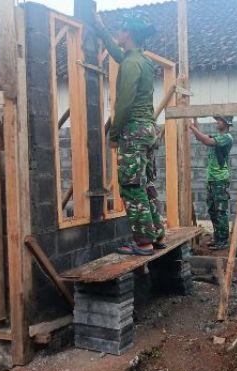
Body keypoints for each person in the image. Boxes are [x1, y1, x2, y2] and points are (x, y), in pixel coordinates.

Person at [94, 14, 165, 256]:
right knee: (145, 183)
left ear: (129, 33)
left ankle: (143, 242)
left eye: (120, 30)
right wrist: (101, 29)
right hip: (148, 129)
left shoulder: (131, 64)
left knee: (131, 185)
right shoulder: (141, 60)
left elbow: (123, 103)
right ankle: (157, 235)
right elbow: (119, 54)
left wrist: (114, 134)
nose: (117, 33)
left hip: (133, 130)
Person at [189, 116, 234, 250]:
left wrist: (191, 127)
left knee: (220, 211)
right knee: (213, 211)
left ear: (226, 123)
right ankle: (217, 238)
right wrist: (195, 119)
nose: (216, 122)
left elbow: (206, 140)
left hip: (220, 180)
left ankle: (223, 241)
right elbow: (200, 137)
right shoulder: (217, 137)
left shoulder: (227, 138)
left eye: (219, 120)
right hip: (212, 180)